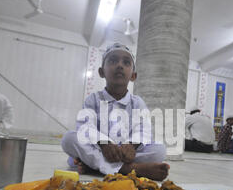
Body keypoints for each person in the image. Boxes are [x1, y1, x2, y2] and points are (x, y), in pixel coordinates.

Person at [61, 43, 169, 181]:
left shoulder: (137, 102)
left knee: (159, 150)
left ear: (133, 76)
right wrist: (104, 142)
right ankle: (128, 169)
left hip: (127, 153)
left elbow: (143, 129)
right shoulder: (93, 99)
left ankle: (95, 166)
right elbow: (86, 127)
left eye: (126, 62)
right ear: (101, 72)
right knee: (69, 139)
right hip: (101, 149)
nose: (120, 65)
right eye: (113, 61)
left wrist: (132, 145)